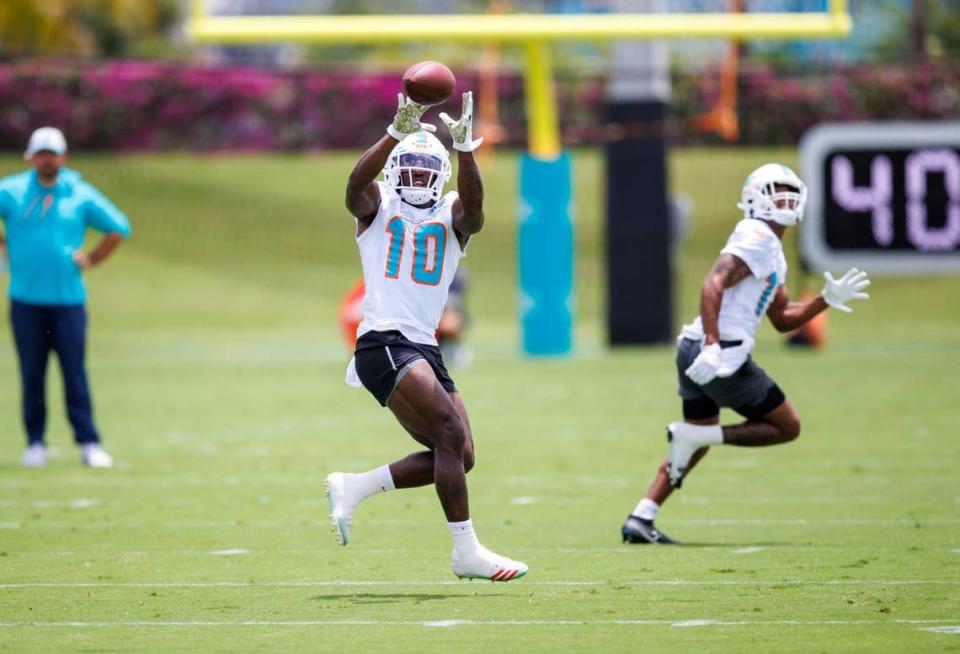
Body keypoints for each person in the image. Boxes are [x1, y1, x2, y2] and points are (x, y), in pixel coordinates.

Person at [326, 91, 527, 581]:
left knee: (460, 454)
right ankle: (466, 553)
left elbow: (475, 211)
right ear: (395, 169)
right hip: (384, 341)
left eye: (427, 168)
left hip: (423, 347)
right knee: (450, 434)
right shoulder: (377, 207)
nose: (418, 175)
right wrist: (395, 131)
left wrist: (465, 150)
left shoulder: (452, 211)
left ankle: (356, 487)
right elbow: (354, 184)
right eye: (409, 166)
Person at [621, 163, 871, 544]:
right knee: (787, 426)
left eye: (790, 191)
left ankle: (642, 515)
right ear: (755, 198)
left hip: (696, 349)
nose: (785, 199)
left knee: (699, 439)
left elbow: (783, 318)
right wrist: (713, 343)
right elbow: (714, 281)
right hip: (720, 354)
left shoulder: (772, 249)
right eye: (776, 192)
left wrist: (825, 300)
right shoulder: (756, 234)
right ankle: (686, 438)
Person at [0, 127, 131, 468]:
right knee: (32, 373)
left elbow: (119, 227)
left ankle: (88, 441)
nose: (47, 159)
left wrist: (92, 258)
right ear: (30, 157)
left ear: (63, 156)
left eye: (53, 153)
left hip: (68, 301)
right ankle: (35, 442)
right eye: (41, 153)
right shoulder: (12, 191)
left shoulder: (79, 194)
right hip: (25, 300)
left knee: (74, 373)